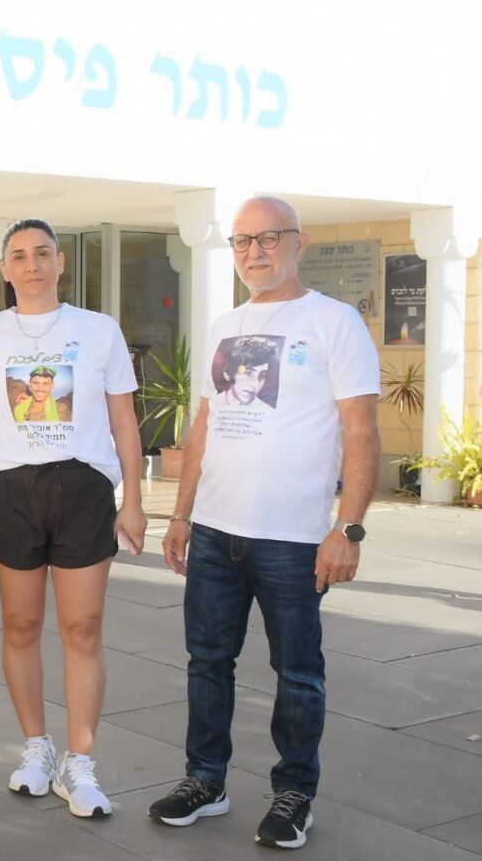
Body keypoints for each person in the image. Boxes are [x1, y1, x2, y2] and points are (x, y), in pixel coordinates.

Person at [148, 197, 380, 850]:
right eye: (243, 240)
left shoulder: (333, 322)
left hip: (295, 539)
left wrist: (348, 528)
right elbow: (204, 424)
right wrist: (182, 513)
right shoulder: (224, 325)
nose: (255, 251)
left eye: (269, 237)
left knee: (298, 672)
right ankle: (205, 781)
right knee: (207, 662)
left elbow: (362, 430)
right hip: (215, 533)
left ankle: (295, 793)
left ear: (298, 243)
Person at [0, 219, 147, 818]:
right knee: (19, 626)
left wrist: (133, 500)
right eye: (19, 256)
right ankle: (37, 749)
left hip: (82, 489)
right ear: (5, 269)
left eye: (43, 253)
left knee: (82, 628)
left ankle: (80, 763)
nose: (32, 265)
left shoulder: (98, 330)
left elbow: (123, 420)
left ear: (61, 262)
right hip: (11, 488)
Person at [214, 335, 278, 409]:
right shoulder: (213, 403)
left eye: (262, 375)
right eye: (248, 373)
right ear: (230, 372)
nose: (255, 383)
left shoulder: (266, 410)